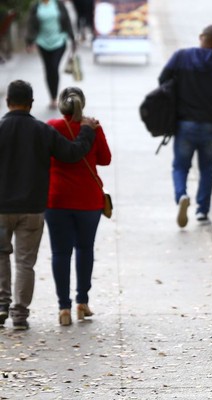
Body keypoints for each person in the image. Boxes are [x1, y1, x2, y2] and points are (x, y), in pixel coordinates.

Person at [0, 80, 97, 330]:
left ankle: (1, 306)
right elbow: (73, 153)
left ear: (7, 101)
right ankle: (20, 314)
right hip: (32, 209)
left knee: (1, 256)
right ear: (31, 103)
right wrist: (87, 130)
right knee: (24, 262)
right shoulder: (42, 131)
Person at [158, 25, 212, 227]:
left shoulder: (181, 57)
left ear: (201, 37)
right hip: (209, 126)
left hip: (184, 123)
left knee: (180, 165)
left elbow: (162, 80)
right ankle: (202, 210)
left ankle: (182, 195)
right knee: (206, 168)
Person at [45, 87, 111, 326]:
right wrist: (94, 131)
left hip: (57, 199)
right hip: (87, 201)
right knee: (85, 249)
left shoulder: (52, 126)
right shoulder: (93, 127)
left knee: (60, 253)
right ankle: (82, 302)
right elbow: (105, 159)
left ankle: (64, 308)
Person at [25, 0, 76, 109]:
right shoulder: (36, 6)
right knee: (48, 69)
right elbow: (31, 24)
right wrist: (29, 41)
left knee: (54, 66)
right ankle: (52, 98)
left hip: (59, 40)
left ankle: (55, 96)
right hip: (42, 42)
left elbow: (67, 21)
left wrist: (72, 39)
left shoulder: (58, 4)